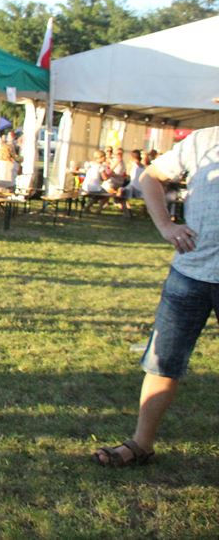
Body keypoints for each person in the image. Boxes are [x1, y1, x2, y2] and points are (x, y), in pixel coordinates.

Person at [93, 119, 219, 467]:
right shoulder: (202, 141)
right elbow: (150, 177)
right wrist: (165, 224)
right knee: (163, 362)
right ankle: (141, 445)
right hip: (189, 272)